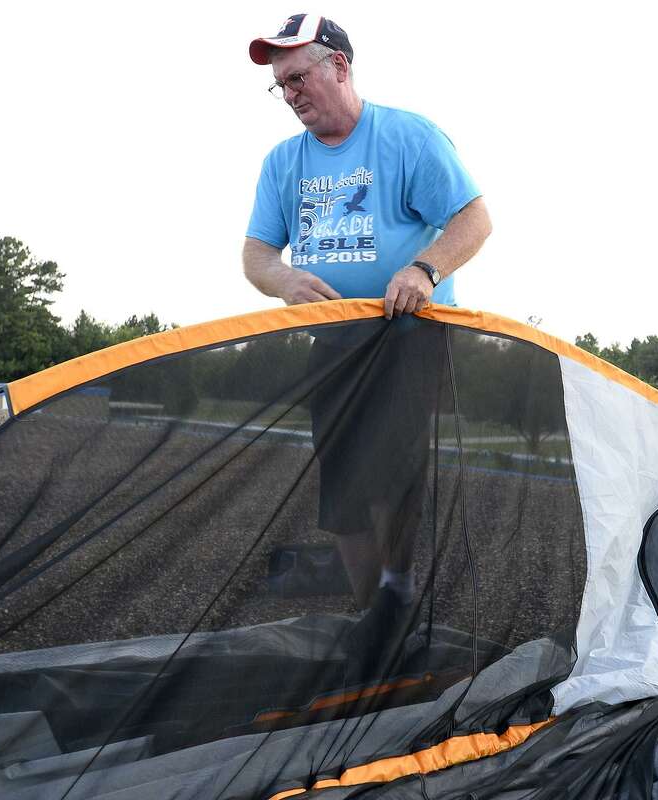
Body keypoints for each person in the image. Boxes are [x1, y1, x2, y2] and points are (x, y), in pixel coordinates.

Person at [241, 14, 492, 671]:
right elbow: (256, 254)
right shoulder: (284, 163)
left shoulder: (406, 137)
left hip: (412, 333)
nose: (290, 93)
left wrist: (424, 269)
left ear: (341, 68)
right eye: (280, 86)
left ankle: (399, 591)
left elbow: (474, 219)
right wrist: (285, 278)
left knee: (395, 472)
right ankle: (372, 617)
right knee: (344, 485)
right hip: (336, 342)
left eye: (298, 77)